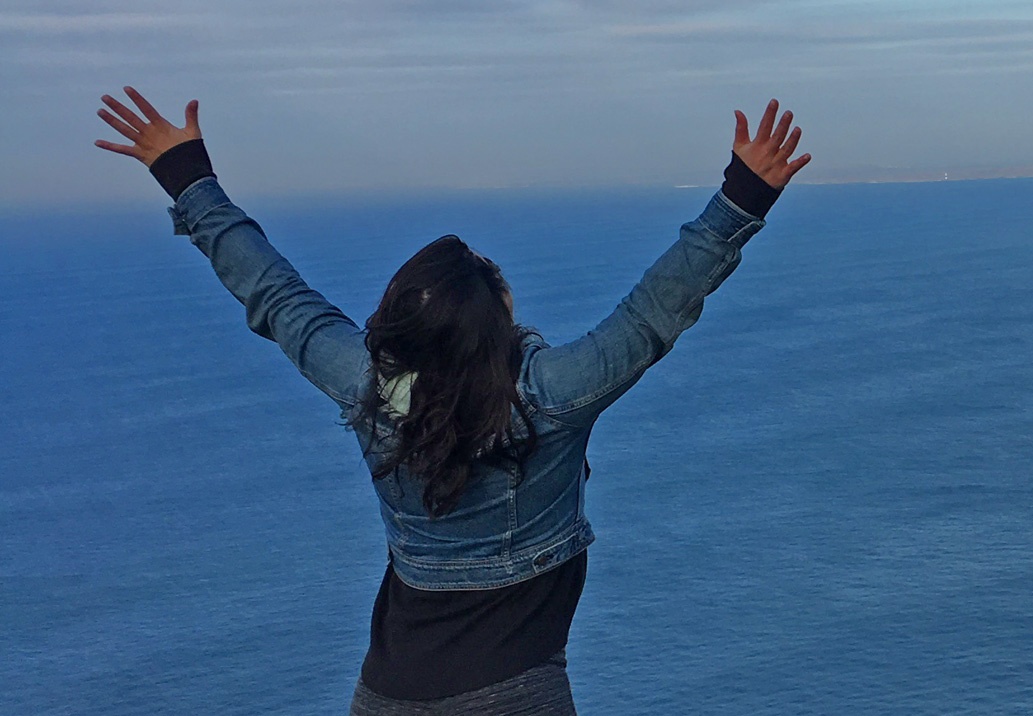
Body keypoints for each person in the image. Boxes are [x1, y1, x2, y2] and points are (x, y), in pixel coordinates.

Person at [92, 86, 812, 715]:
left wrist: (188, 177)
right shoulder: (554, 395)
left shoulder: (366, 386)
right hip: (515, 692)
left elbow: (277, 295)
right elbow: (656, 309)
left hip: (387, 694)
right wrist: (742, 197)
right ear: (497, 320)